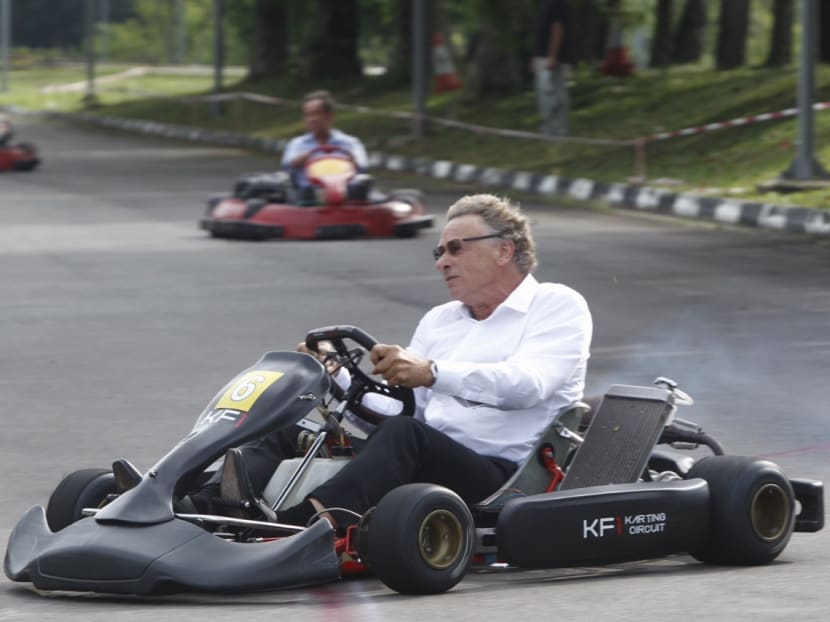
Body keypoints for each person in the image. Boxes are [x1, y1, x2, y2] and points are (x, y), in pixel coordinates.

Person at [264, 193, 593, 531]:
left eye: (455, 249)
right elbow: (404, 412)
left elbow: (529, 385)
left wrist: (432, 373)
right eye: (439, 252)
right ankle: (220, 506)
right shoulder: (441, 319)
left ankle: (305, 527)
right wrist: (338, 376)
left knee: (407, 436)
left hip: (506, 476)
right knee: (293, 428)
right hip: (428, 458)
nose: (442, 262)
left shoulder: (556, 304)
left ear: (504, 250)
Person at [280, 90, 369, 195]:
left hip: (345, 196)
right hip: (306, 198)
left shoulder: (350, 143)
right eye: (308, 115)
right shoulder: (297, 144)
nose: (312, 119)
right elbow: (286, 166)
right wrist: (305, 158)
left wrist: (351, 161)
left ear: (330, 116)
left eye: (317, 114)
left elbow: (363, 166)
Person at [532, 0, 572, 137]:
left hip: (549, 57)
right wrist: (535, 56)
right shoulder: (545, 3)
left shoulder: (556, 3)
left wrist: (552, 54)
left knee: (552, 95)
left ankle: (557, 131)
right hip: (542, 56)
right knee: (546, 94)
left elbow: (558, 27)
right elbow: (541, 31)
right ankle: (550, 129)